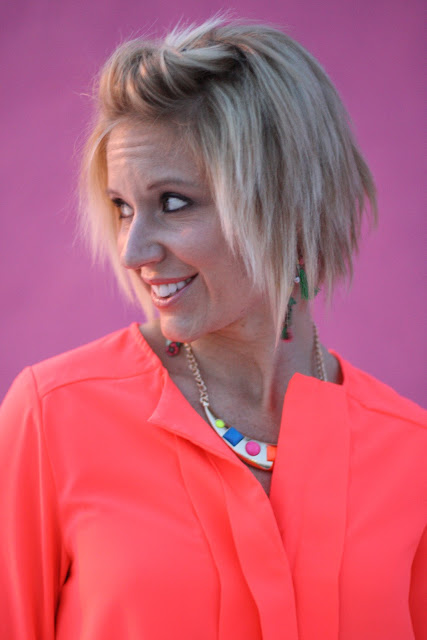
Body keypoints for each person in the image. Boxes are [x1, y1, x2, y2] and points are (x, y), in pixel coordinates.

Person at [0, 16, 425, 640]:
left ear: (288, 204)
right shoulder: (52, 416)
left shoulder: (412, 455)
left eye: (173, 202)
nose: (133, 251)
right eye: (122, 208)